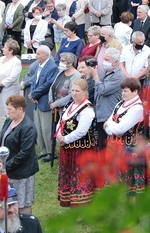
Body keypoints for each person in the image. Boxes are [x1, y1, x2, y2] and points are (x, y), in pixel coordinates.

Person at [103, 77, 150, 195]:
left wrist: (109, 125)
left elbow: (120, 129)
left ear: (135, 91)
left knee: (131, 184)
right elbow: (109, 125)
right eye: (122, 90)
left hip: (130, 149)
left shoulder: (137, 108)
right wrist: (110, 126)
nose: (122, 93)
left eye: (125, 91)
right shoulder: (120, 104)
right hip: (116, 147)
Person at [56, 78, 97, 207]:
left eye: (77, 91)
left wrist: (65, 139)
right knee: (69, 173)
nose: (74, 93)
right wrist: (58, 135)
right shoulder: (70, 105)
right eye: (72, 90)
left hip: (81, 149)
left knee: (81, 176)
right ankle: (70, 200)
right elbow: (61, 122)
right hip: (68, 147)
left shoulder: (87, 109)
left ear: (85, 92)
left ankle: (82, 205)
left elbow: (81, 131)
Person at [0, 95, 39, 216]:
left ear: (20, 109)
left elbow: (24, 153)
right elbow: (1, 142)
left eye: (10, 109)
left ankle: (24, 224)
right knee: (9, 200)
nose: (8, 112)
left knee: (23, 202)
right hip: (8, 169)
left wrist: (6, 165)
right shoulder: (8, 121)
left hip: (22, 172)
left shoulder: (28, 127)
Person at [26, 45, 58, 162]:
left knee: (46, 128)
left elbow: (49, 84)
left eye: (39, 54)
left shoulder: (52, 67)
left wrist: (35, 94)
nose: (36, 56)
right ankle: (43, 150)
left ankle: (51, 152)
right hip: (37, 101)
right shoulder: (38, 65)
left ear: (46, 55)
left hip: (44, 101)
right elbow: (34, 81)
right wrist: (33, 94)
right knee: (38, 128)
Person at [0, 39, 23, 129]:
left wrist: (0, 84)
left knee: (10, 109)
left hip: (9, 90)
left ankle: (13, 127)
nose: (2, 49)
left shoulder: (16, 62)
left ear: (11, 50)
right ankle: (6, 126)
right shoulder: (1, 59)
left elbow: (13, 77)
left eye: (5, 47)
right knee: (1, 108)